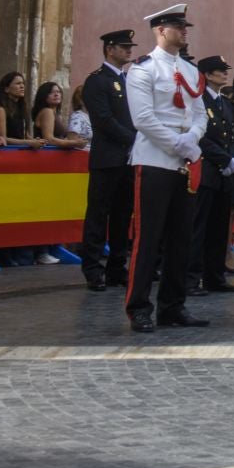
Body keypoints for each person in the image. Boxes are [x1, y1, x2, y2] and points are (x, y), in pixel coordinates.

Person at [122, 4, 210, 333]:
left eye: (185, 25)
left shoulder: (189, 71)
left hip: (184, 162)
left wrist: (193, 138)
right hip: (155, 160)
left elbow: (200, 112)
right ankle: (139, 307)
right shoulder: (143, 69)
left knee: (180, 239)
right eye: (178, 26)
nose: (185, 30)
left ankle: (173, 306)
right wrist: (177, 144)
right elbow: (143, 119)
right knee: (148, 238)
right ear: (161, 30)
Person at [78, 30, 138, 293]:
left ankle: (117, 266)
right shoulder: (97, 80)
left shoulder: (129, 81)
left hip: (127, 159)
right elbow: (103, 119)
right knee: (98, 215)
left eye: (129, 47)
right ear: (109, 49)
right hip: (107, 158)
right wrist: (133, 139)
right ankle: (93, 269)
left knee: (122, 216)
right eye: (123, 47)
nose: (128, 51)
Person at [189, 55, 234, 297]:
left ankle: (214, 276)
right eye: (220, 71)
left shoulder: (225, 103)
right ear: (208, 75)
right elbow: (201, 137)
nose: (225, 74)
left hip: (224, 173)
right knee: (198, 227)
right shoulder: (198, 101)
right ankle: (192, 278)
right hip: (206, 170)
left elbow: (233, 135)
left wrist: (230, 159)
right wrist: (224, 158)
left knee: (219, 228)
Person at [0, 73, 47, 149]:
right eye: (18, 83)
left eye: (23, 83)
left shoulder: (20, 108)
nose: (22, 86)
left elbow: (23, 134)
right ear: (7, 89)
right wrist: (29, 142)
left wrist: (35, 141)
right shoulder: (0, 110)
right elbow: (2, 139)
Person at [34, 82, 88, 150]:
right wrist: (74, 143)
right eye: (51, 92)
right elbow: (49, 139)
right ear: (43, 96)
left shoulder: (55, 114)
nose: (56, 94)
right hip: (47, 155)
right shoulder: (47, 112)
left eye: (58, 92)